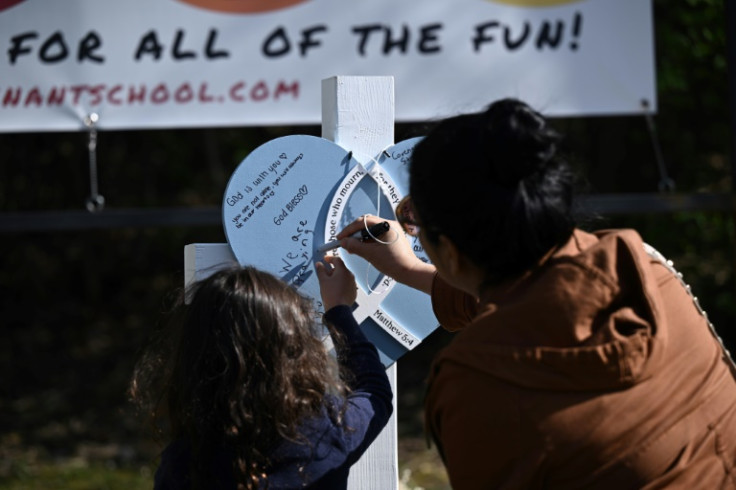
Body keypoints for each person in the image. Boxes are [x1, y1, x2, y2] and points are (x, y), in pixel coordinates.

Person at [337, 98, 736, 489]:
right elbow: (538, 301)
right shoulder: (646, 270)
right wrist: (408, 269)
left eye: (415, 219)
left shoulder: (476, 380)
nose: (410, 227)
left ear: (453, 252)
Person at [129, 258, 392, 489]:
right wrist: (339, 311)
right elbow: (374, 392)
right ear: (296, 349)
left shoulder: (184, 463)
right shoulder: (328, 431)